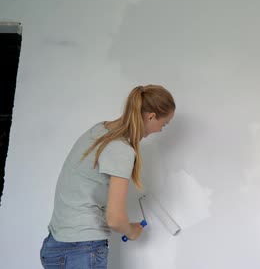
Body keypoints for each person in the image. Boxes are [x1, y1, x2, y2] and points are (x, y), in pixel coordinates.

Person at [40, 85, 175, 269]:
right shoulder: (121, 150)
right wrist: (132, 231)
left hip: (56, 245)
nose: (160, 130)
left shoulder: (100, 130)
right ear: (151, 116)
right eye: (164, 124)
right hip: (82, 250)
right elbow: (115, 219)